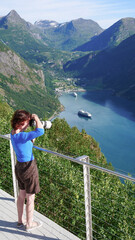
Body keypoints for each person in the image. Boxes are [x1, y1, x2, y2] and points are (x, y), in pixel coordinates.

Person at [10, 109, 44, 232]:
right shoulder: (23, 136)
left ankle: (20, 221)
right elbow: (40, 131)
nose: (28, 124)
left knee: (22, 195)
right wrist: (36, 118)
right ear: (19, 123)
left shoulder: (13, 133)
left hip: (19, 167)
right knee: (30, 197)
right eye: (26, 122)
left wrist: (30, 135)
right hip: (29, 167)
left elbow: (26, 143)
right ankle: (29, 224)